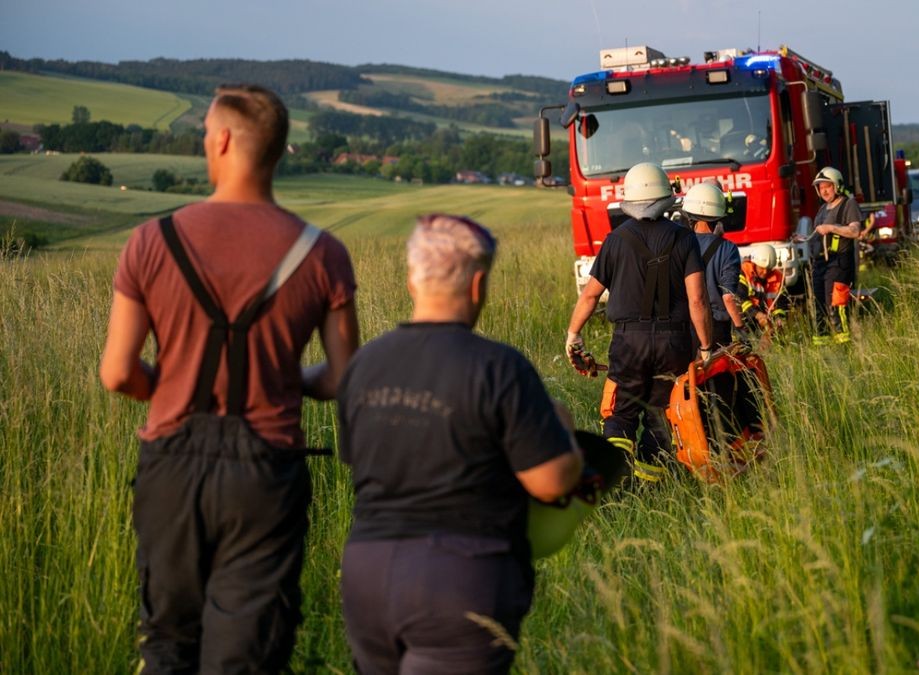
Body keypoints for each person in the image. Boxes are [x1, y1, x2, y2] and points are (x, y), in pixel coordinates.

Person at [99, 84, 359, 672]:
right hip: (266, 474)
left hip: (171, 468)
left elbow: (116, 373)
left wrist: (166, 384)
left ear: (221, 140)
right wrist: (285, 379)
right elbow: (344, 376)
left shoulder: (151, 241)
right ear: (278, 149)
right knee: (249, 654)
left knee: (168, 642)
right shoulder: (321, 253)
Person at [337, 214, 582, 674]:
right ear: (478, 285)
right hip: (461, 578)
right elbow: (551, 483)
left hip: (367, 576)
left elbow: (360, 459)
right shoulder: (500, 368)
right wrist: (562, 430)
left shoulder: (363, 366)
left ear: (412, 279)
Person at [566, 162, 713, 483]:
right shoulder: (685, 240)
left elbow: (590, 296)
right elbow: (698, 300)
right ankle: (648, 489)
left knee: (621, 414)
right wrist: (705, 347)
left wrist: (573, 335)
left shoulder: (615, 240)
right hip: (674, 344)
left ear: (629, 199)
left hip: (628, 343)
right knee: (661, 417)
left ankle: (615, 485)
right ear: (666, 198)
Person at [680, 181, 748, 348]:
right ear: (719, 215)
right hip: (716, 327)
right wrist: (741, 329)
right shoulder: (728, 248)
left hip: (682, 327)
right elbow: (728, 297)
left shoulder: (678, 245)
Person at [809, 166, 863, 344]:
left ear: (837, 186)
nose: (824, 190)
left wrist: (832, 228)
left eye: (828, 186)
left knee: (836, 303)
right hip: (820, 262)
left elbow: (855, 231)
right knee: (819, 305)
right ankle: (822, 344)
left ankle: (845, 343)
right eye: (820, 187)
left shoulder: (849, 204)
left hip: (839, 261)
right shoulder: (822, 209)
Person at [739, 244, 787, 331]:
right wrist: (757, 315)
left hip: (768, 323)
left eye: (768, 269)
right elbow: (740, 299)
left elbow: (781, 303)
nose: (765, 272)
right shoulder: (744, 273)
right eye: (762, 268)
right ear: (755, 263)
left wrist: (778, 318)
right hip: (746, 321)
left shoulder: (778, 278)